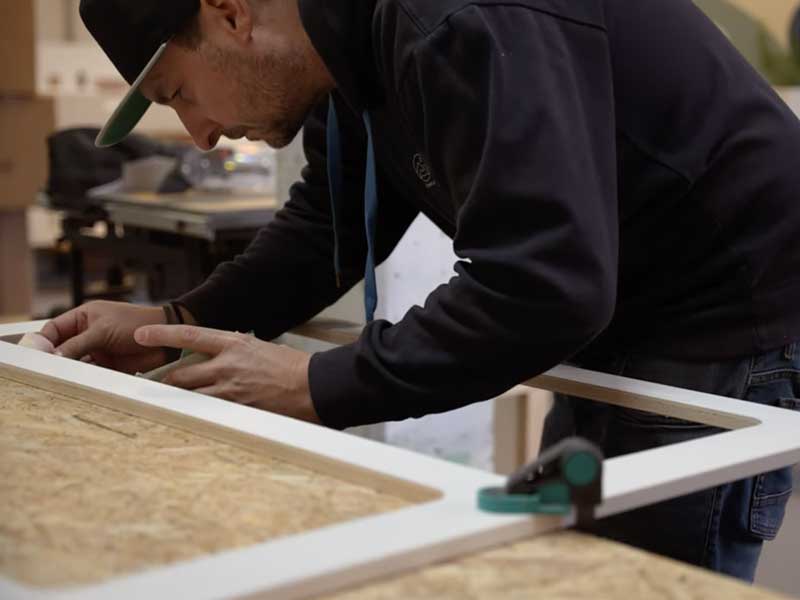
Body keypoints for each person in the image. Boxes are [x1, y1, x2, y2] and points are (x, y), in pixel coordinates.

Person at [44, 0, 800, 580]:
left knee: (639, 583)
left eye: (179, 92)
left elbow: (542, 283)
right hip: (618, 319)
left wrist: (317, 383)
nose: (200, 134)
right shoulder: (346, 46)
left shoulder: (452, 17)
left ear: (231, 11)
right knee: (571, 568)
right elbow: (323, 231)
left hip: (726, 317)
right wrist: (172, 320)